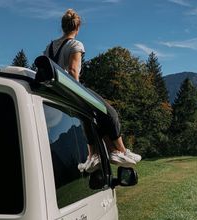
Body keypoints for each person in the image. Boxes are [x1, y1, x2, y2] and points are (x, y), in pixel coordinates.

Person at [43, 9, 141, 171]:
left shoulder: (50, 47)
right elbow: (74, 71)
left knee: (89, 118)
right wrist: (76, 94)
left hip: (56, 92)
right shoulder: (75, 44)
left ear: (62, 27)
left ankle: (92, 156)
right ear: (78, 27)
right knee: (110, 113)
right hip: (70, 89)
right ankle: (120, 151)